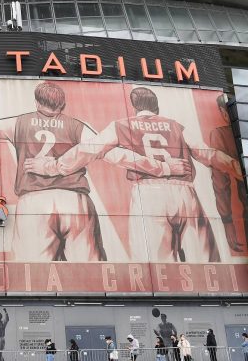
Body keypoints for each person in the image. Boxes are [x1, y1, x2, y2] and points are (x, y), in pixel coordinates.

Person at [0, 82, 179, 262]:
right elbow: (114, 154)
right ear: (62, 105)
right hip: (75, 201)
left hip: (34, 202)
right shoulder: (76, 126)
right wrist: (163, 168)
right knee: (89, 273)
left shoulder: (19, 123)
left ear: (37, 102)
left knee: (33, 276)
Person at [26, 86, 242, 263]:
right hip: (185, 193)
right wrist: (237, 168)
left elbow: (89, 149)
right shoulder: (176, 126)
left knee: (157, 265)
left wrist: (53, 166)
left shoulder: (122, 125)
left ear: (135, 106)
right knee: (205, 260)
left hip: (148, 193)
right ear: (156, 106)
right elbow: (208, 154)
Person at [206, 94, 248, 252]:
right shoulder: (223, 134)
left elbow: (220, 182)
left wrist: (227, 221)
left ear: (224, 112)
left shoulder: (221, 134)